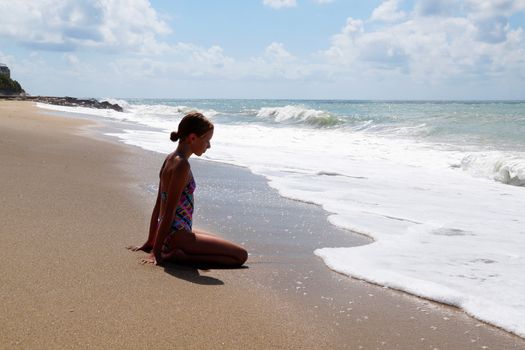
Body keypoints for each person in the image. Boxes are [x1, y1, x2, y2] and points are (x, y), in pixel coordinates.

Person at [128, 112, 248, 267]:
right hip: (176, 235)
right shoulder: (182, 165)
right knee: (240, 256)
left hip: (170, 234)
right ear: (192, 138)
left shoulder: (169, 159)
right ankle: (179, 257)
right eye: (207, 141)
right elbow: (168, 211)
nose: (209, 146)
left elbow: (159, 205)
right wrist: (155, 253)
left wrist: (150, 241)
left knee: (219, 241)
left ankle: (173, 250)